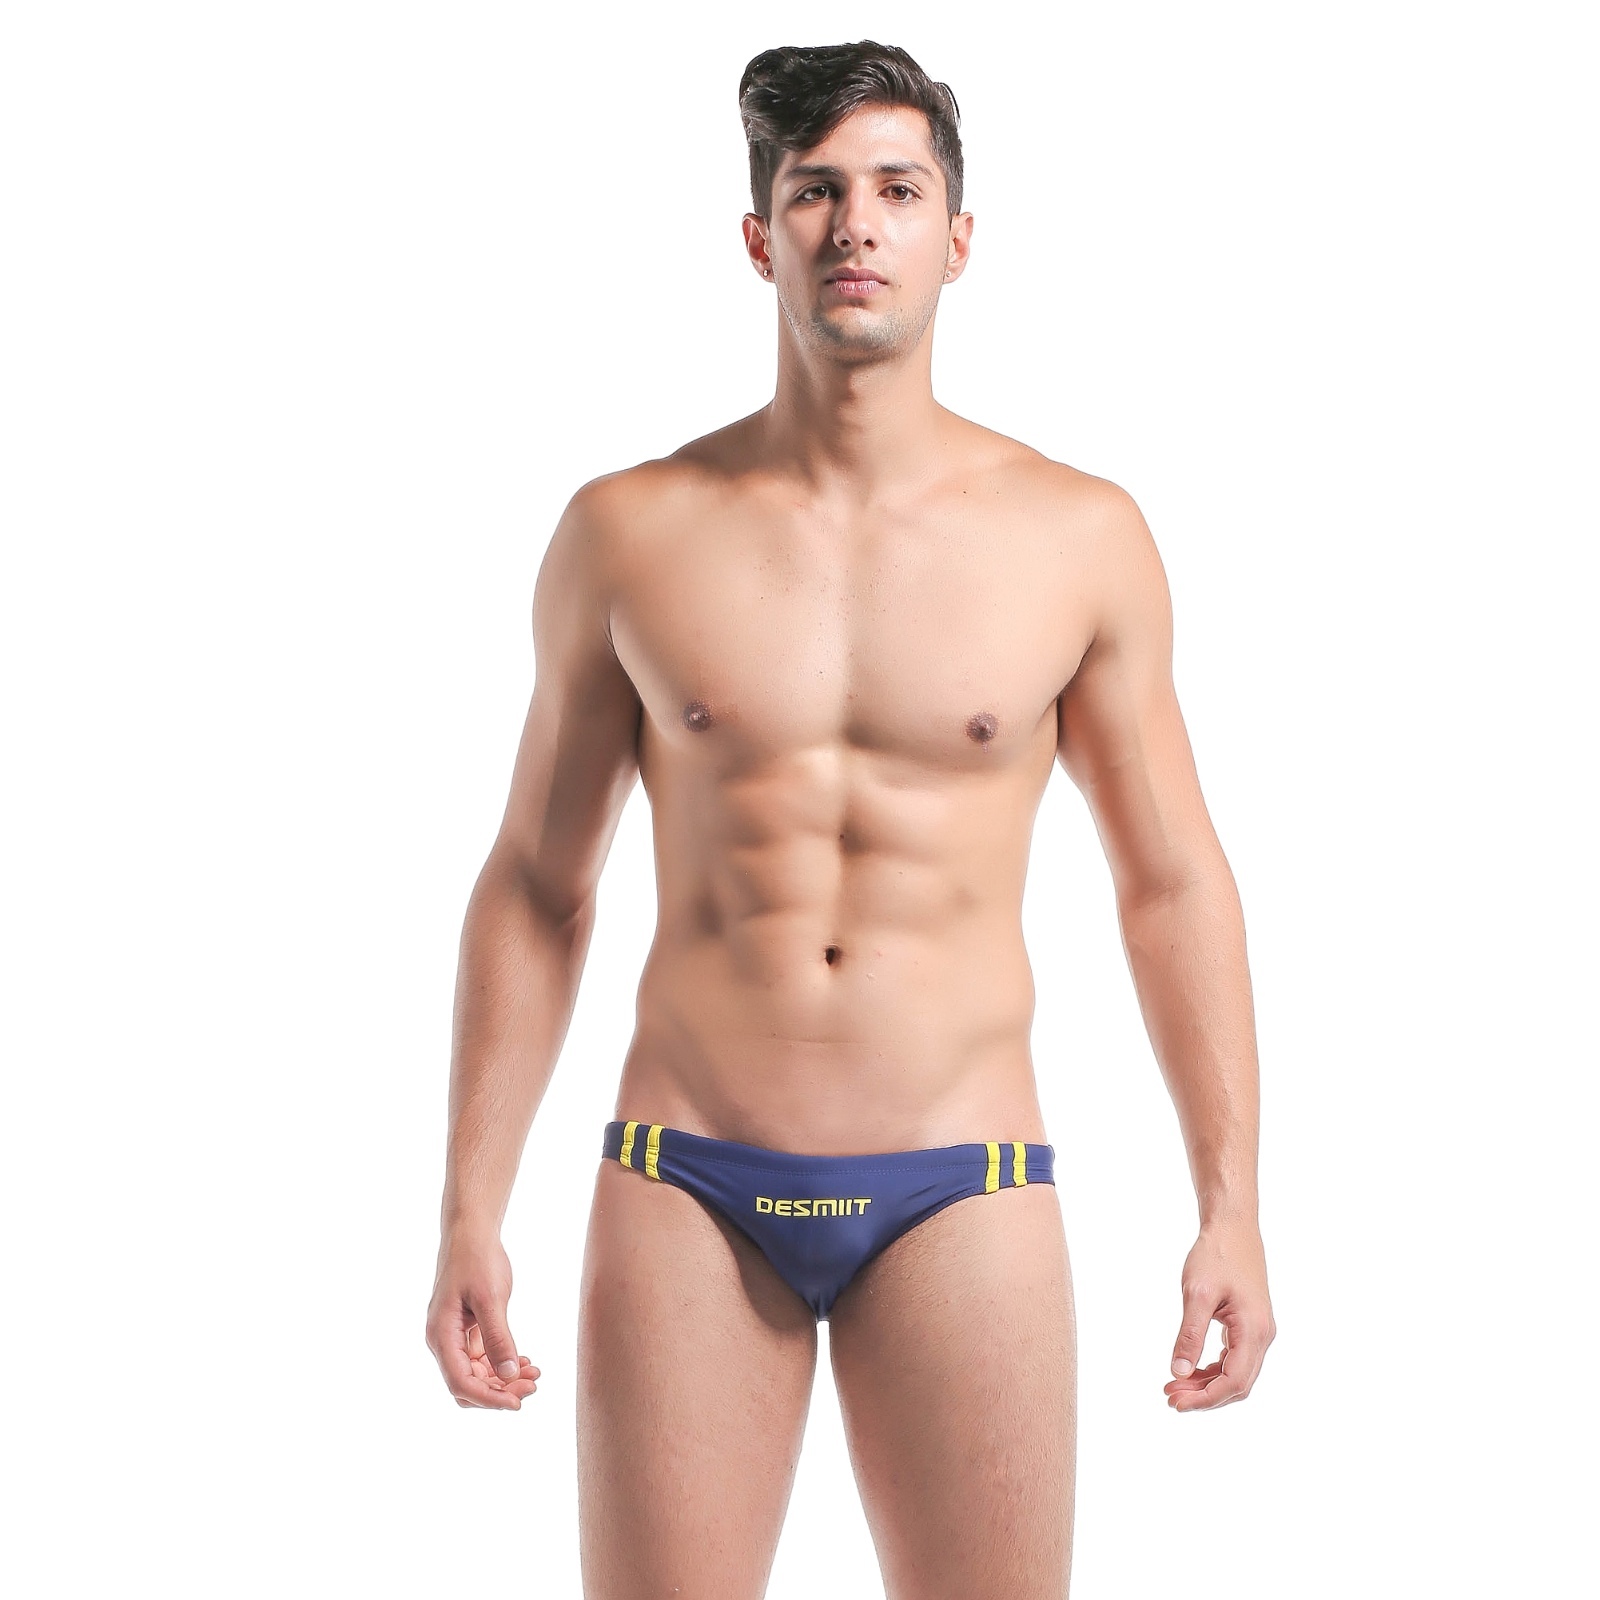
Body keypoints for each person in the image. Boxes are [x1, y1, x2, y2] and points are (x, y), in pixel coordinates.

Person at [425, 38, 1274, 1598]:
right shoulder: (628, 533)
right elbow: (537, 884)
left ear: (961, 237)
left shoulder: (1079, 538)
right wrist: (467, 1204)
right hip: (686, 1179)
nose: (856, 224)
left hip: (963, 1179)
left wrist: (1233, 1206)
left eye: (898, 189)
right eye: (816, 191)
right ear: (761, 238)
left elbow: (1169, 884)